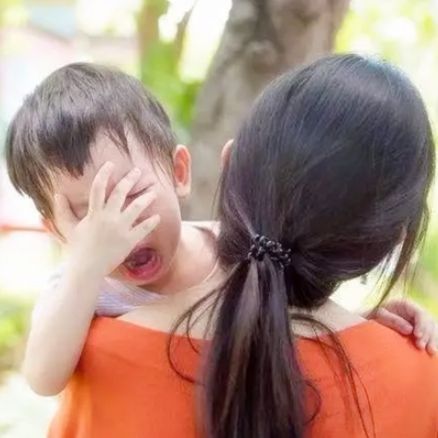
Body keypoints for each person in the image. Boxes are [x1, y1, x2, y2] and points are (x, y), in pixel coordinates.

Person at [5, 60, 437, 419]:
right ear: (55, 229)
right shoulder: (78, 290)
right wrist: (85, 267)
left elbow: (276, 308)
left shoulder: (230, 244)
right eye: (87, 214)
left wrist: (356, 322)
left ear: (179, 172)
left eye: (133, 195)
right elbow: (43, 378)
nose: (117, 226)